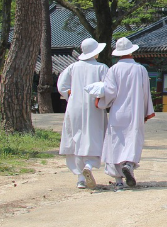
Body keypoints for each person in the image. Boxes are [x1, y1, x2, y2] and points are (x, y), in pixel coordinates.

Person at [96, 37, 155, 190]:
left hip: (117, 111)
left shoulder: (113, 70)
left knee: (116, 141)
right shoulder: (140, 69)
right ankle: (128, 164)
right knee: (132, 139)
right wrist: (146, 111)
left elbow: (110, 91)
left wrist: (101, 102)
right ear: (132, 51)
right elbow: (145, 93)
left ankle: (118, 181)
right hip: (135, 111)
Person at [57, 38, 108, 189]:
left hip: (75, 107)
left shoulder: (72, 67)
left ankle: (80, 177)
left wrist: (70, 94)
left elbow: (61, 86)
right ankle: (90, 165)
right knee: (94, 135)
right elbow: (108, 87)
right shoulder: (101, 68)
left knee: (75, 137)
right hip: (94, 106)